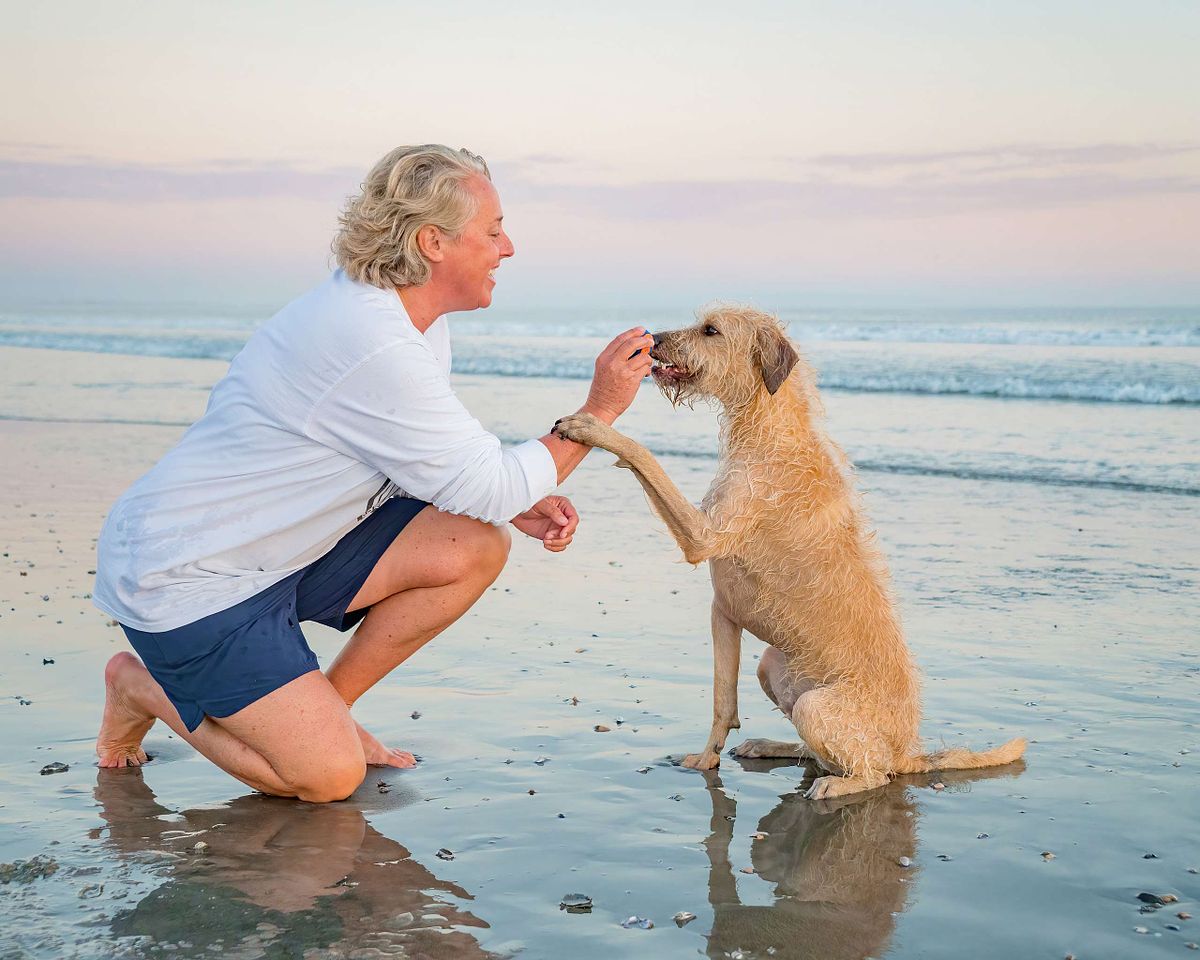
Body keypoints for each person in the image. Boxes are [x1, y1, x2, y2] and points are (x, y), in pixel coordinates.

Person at [92, 144, 654, 803]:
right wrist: (599, 411)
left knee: (474, 542)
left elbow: (426, 460)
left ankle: (319, 712)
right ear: (431, 241)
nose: (508, 249)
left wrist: (505, 502)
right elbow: (489, 479)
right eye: (494, 230)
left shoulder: (408, 318)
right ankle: (144, 687)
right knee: (327, 779)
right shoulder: (372, 336)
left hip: (277, 552)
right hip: (187, 578)